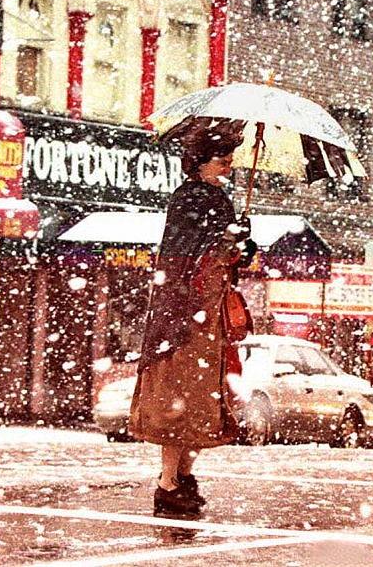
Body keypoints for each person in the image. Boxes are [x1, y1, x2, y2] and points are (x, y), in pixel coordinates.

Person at [129, 117, 253, 515]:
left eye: (230, 156)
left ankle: (183, 476)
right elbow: (186, 260)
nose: (228, 163)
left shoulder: (218, 199)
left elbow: (222, 260)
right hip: (186, 317)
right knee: (177, 399)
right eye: (222, 157)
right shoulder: (190, 199)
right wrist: (226, 242)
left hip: (208, 317)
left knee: (200, 402)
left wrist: (241, 247)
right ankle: (168, 481)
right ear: (200, 160)